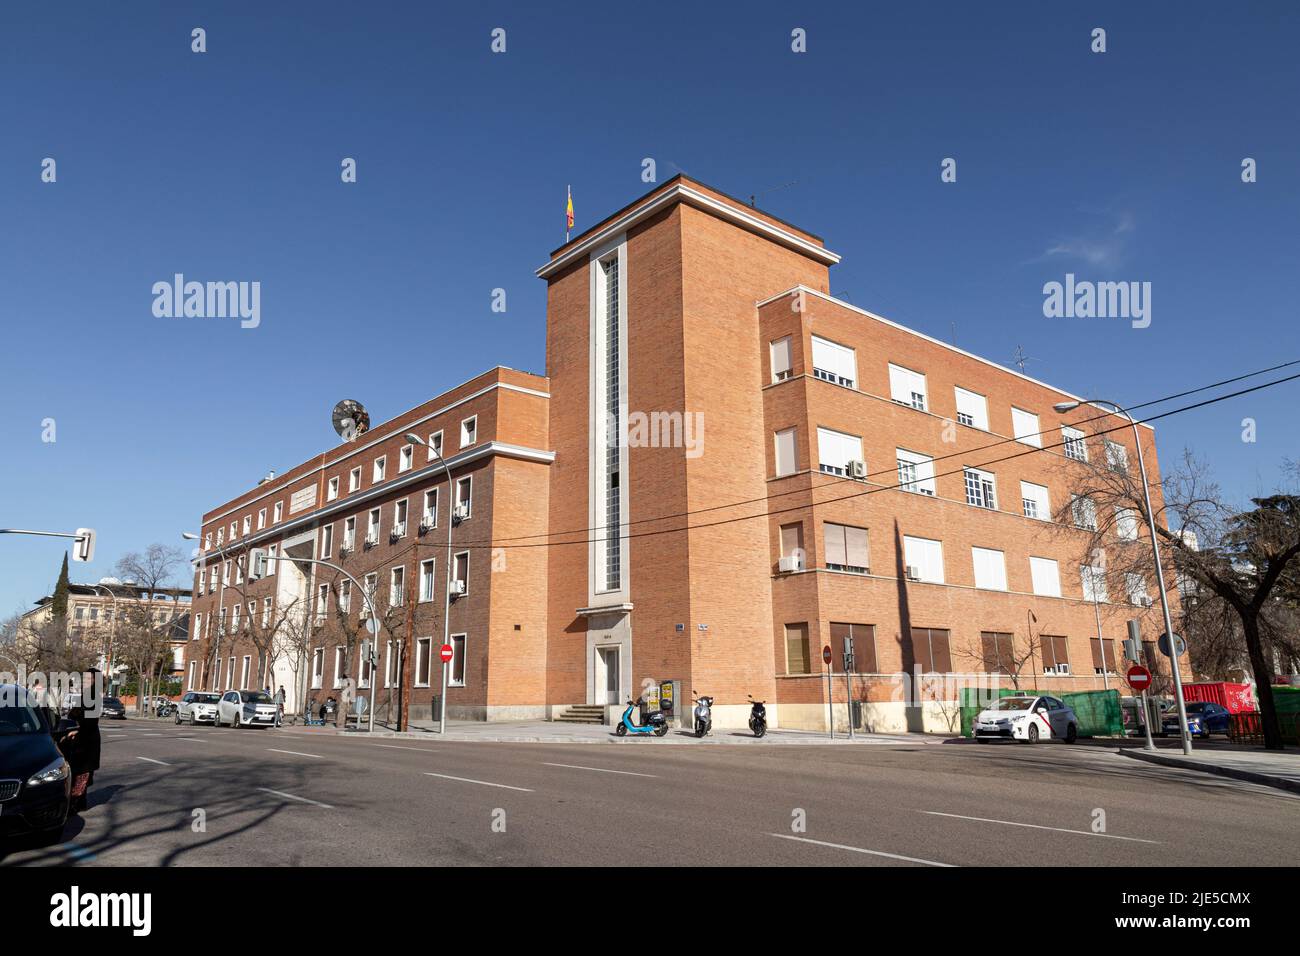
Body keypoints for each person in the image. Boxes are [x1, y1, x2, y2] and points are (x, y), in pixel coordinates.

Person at [57, 670, 102, 814]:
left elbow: (91, 721)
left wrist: (77, 730)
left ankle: (76, 803)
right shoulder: (87, 695)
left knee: (82, 773)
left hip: (86, 739)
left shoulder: (93, 696)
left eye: (89, 678)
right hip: (82, 737)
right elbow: (74, 714)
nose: (85, 681)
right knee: (78, 772)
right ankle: (78, 802)